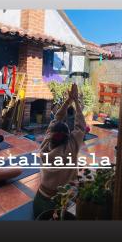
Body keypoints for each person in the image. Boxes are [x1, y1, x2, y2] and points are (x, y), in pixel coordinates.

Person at [33, 84, 86, 218]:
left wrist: (68, 101)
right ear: (69, 136)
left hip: (38, 202)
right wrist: (75, 101)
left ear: (51, 134)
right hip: (56, 205)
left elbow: (56, 118)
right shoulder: (72, 146)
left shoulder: (45, 144)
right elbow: (81, 125)